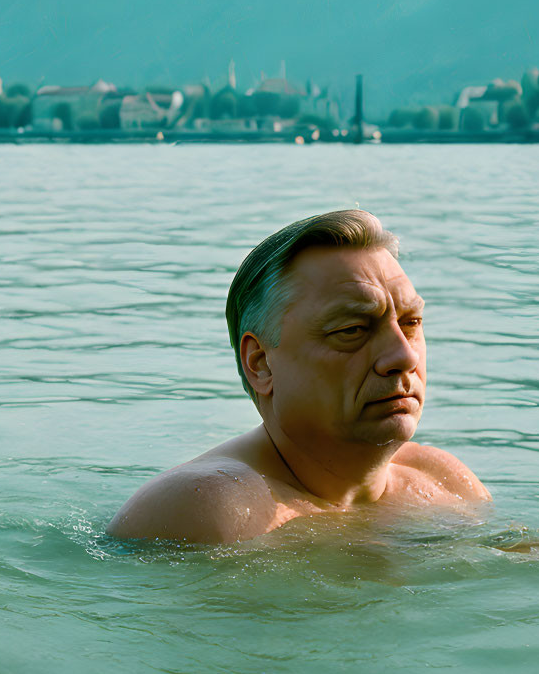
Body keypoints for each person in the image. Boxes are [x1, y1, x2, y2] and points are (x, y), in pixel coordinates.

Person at [108, 209, 490, 544]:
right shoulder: (212, 509)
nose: (404, 356)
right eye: (352, 329)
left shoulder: (446, 483)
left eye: (411, 323)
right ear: (261, 363)